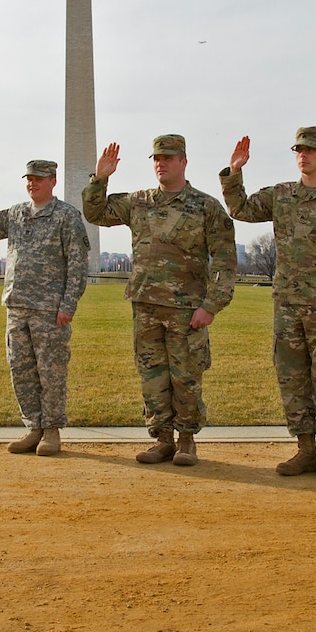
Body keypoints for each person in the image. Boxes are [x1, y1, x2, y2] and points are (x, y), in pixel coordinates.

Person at [219, 127, 316, 479]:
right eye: (299, 150)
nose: (305, 155)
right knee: (291, 378)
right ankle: (304, 449)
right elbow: (240, 209)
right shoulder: (282, 195)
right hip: (287, 303)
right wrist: (235, 171)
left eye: (313, 150)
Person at [83, 135, 236, 466]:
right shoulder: (139, 201)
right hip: (146, 306)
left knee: (186, 377)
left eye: (168, 157)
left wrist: (212, 305)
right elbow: (96, 213)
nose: (161, 163)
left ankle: (186, 441)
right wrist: (100, 178)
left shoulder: (206, 207)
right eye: (156, 158)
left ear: (183, 161)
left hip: (187, 310)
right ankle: (163, 440)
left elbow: (225, 261)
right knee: (152, 377)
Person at [0, 160, 90, 456]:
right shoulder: (17, 213)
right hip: (17, 306)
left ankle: (51, 430)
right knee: (21, 371)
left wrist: (68, 304)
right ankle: (33, 427)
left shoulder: (66, 216)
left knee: (50, 372)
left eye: (39, 178)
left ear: (52, 181)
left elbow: (78, 264)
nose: (32, 183)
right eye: (29, 178)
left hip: (49, 310)